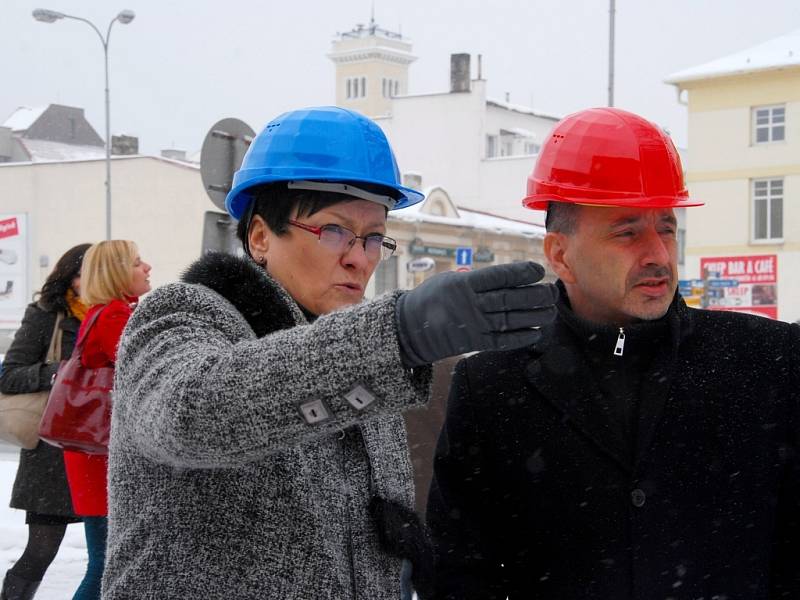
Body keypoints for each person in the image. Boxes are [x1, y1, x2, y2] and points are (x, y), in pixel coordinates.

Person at [100, 106, 558, 600]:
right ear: (259, 236)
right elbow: (189, 415)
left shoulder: (367, 355)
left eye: (375, 237)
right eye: (334, 230)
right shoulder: (181, 315)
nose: (359, 257)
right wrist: (397, 334)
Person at [427, 107, 800, 599]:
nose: (658, 254)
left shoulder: (767, 361)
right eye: (628, 232)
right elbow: (458, 576)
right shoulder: (493, 388)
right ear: (560, 254)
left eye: (666, 227)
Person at [0, 244, 91, 600]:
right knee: (41, 553)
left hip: (97, 448)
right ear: (74, 277)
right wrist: (60, 372)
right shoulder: (46, 315)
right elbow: (9, 376)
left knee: (105, 555)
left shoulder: (113, 314)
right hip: (51, 458)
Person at [63, 240, 151, 600]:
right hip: (102, 455)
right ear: (117, 272)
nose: (147, 267)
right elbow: (146, 373)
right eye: (137, 262)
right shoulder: (114, 316)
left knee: (107, 561)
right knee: (105, 564)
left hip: (94, 451)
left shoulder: (104, 312)